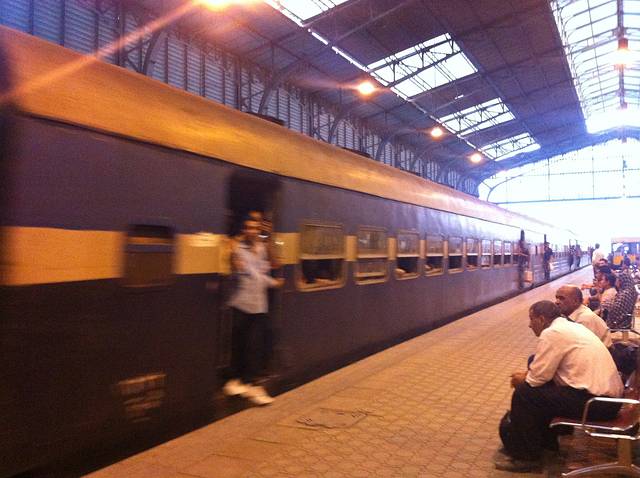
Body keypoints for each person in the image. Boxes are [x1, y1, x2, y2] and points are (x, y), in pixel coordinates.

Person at [496, 301, 623, 472]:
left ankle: (527, 457)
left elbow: (536, 379)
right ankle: (548, 446)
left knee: (524, 393)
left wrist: (524, 378)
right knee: (540, 388)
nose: (529, 325)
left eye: (531, 319)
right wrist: (530, 375)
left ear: (541, 319)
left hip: (596, 403)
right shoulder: (570, 326)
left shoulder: (553, 333)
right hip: (608, 401)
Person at [223, 214, 284, 405]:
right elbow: (251, 274)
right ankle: (242, 383)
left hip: (258, 305)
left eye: (256, 228)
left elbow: (268, 268)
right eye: (249, 227)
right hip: (241, 304)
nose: (253, 231)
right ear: (244, 230)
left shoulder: (262, 249)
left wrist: (271, 280)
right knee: (240, 345)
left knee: (254, 346)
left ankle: (248, 383)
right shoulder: (237, 249)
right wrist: (273, 282)